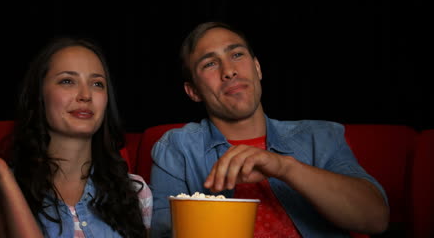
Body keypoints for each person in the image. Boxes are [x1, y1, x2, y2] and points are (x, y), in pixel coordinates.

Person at [149, 22, 389, 238]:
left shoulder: (320, 137)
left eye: (237, 54)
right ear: (193, 91)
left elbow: (376, 219)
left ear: (258, 68)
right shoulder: (176, 148)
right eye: (210, 63)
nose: (229, 71)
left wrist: (284, 167)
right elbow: (163, 233)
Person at [0, 37, 152, 238]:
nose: (85, 95)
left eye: (97, 84)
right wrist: (3, 176)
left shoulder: (135, 191)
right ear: (39, 95)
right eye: (67, 81)